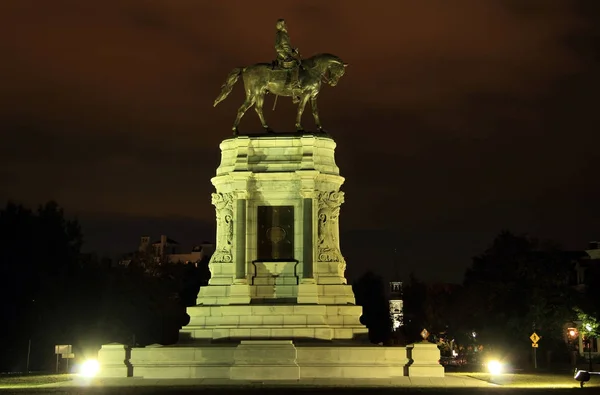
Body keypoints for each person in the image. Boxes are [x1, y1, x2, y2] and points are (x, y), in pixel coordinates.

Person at [275, 19, 302, 103]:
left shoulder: (284, 34)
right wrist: (286, 56)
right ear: (281, 25)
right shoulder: (280, 35)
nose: (286, 25)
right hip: (283, 58)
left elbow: (288, 49)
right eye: (284, 24)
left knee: (298, 63)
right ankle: (295, 92)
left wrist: (294, 52)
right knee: (295, 67)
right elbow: (278, 47)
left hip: (287, 56)